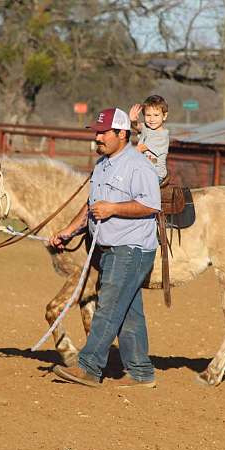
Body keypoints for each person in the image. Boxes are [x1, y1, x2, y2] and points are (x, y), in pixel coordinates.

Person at [50, 107, 161, 389]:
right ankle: (141, 373)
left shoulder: (138, 166)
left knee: (109, 307)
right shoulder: (102, 165)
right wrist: (68, 231)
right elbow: (91, 206)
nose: (97, 137)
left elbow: (151, 205)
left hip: (131, 249)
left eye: (103, 132)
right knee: (127, 312)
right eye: (96, 132)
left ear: (121, 134)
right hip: (110, 250)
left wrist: (113, 208)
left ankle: (89, 367)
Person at [128, 95, 169, 183]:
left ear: (164, 116)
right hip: (143, 169)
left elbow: (140, 148)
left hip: (155, 173)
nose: (152, 119)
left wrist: (120, 155)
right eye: (148, 115)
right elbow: (137, 127)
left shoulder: (161, 136)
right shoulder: (147, 127)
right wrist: (133, 121)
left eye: (156, 115)